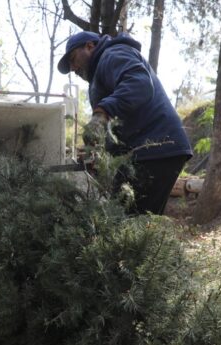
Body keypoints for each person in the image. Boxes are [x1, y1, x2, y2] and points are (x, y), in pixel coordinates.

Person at [58, 31, 192, 215]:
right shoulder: (102, 69)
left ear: (90, 46)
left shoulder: (112, 54)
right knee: (127, 220)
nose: (73, 68)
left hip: (156, 147)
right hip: (145, 150)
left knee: (129, 223)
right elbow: (121, 122)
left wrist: (102, 113)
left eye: (73, 59)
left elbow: (140, 84)